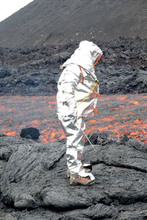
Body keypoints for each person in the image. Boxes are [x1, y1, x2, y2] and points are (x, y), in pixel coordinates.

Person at [57, 40, 102, 185]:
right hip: (71, 111)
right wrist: (71, 110)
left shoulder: (81, 68)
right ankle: (76, 175)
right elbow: (66, 88)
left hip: (77, 111)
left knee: (78, 138)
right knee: (74, 139)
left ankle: (75, 167)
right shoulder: (74, 69)